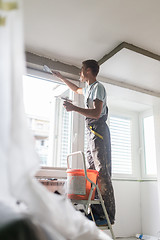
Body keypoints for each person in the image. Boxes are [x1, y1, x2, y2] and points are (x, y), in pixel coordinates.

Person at [52, 59, 115, 226]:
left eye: (81, 69)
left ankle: (108, 215)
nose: (80, 72)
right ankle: (96, 213)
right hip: (92, 133)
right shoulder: (88, 89)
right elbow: (76, 89)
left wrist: (74, 108)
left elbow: (96, 112)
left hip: (99, 130)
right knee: (93, 173)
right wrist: (61, 78)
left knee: (102, 174)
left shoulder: (98, 87)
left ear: (87, 70)